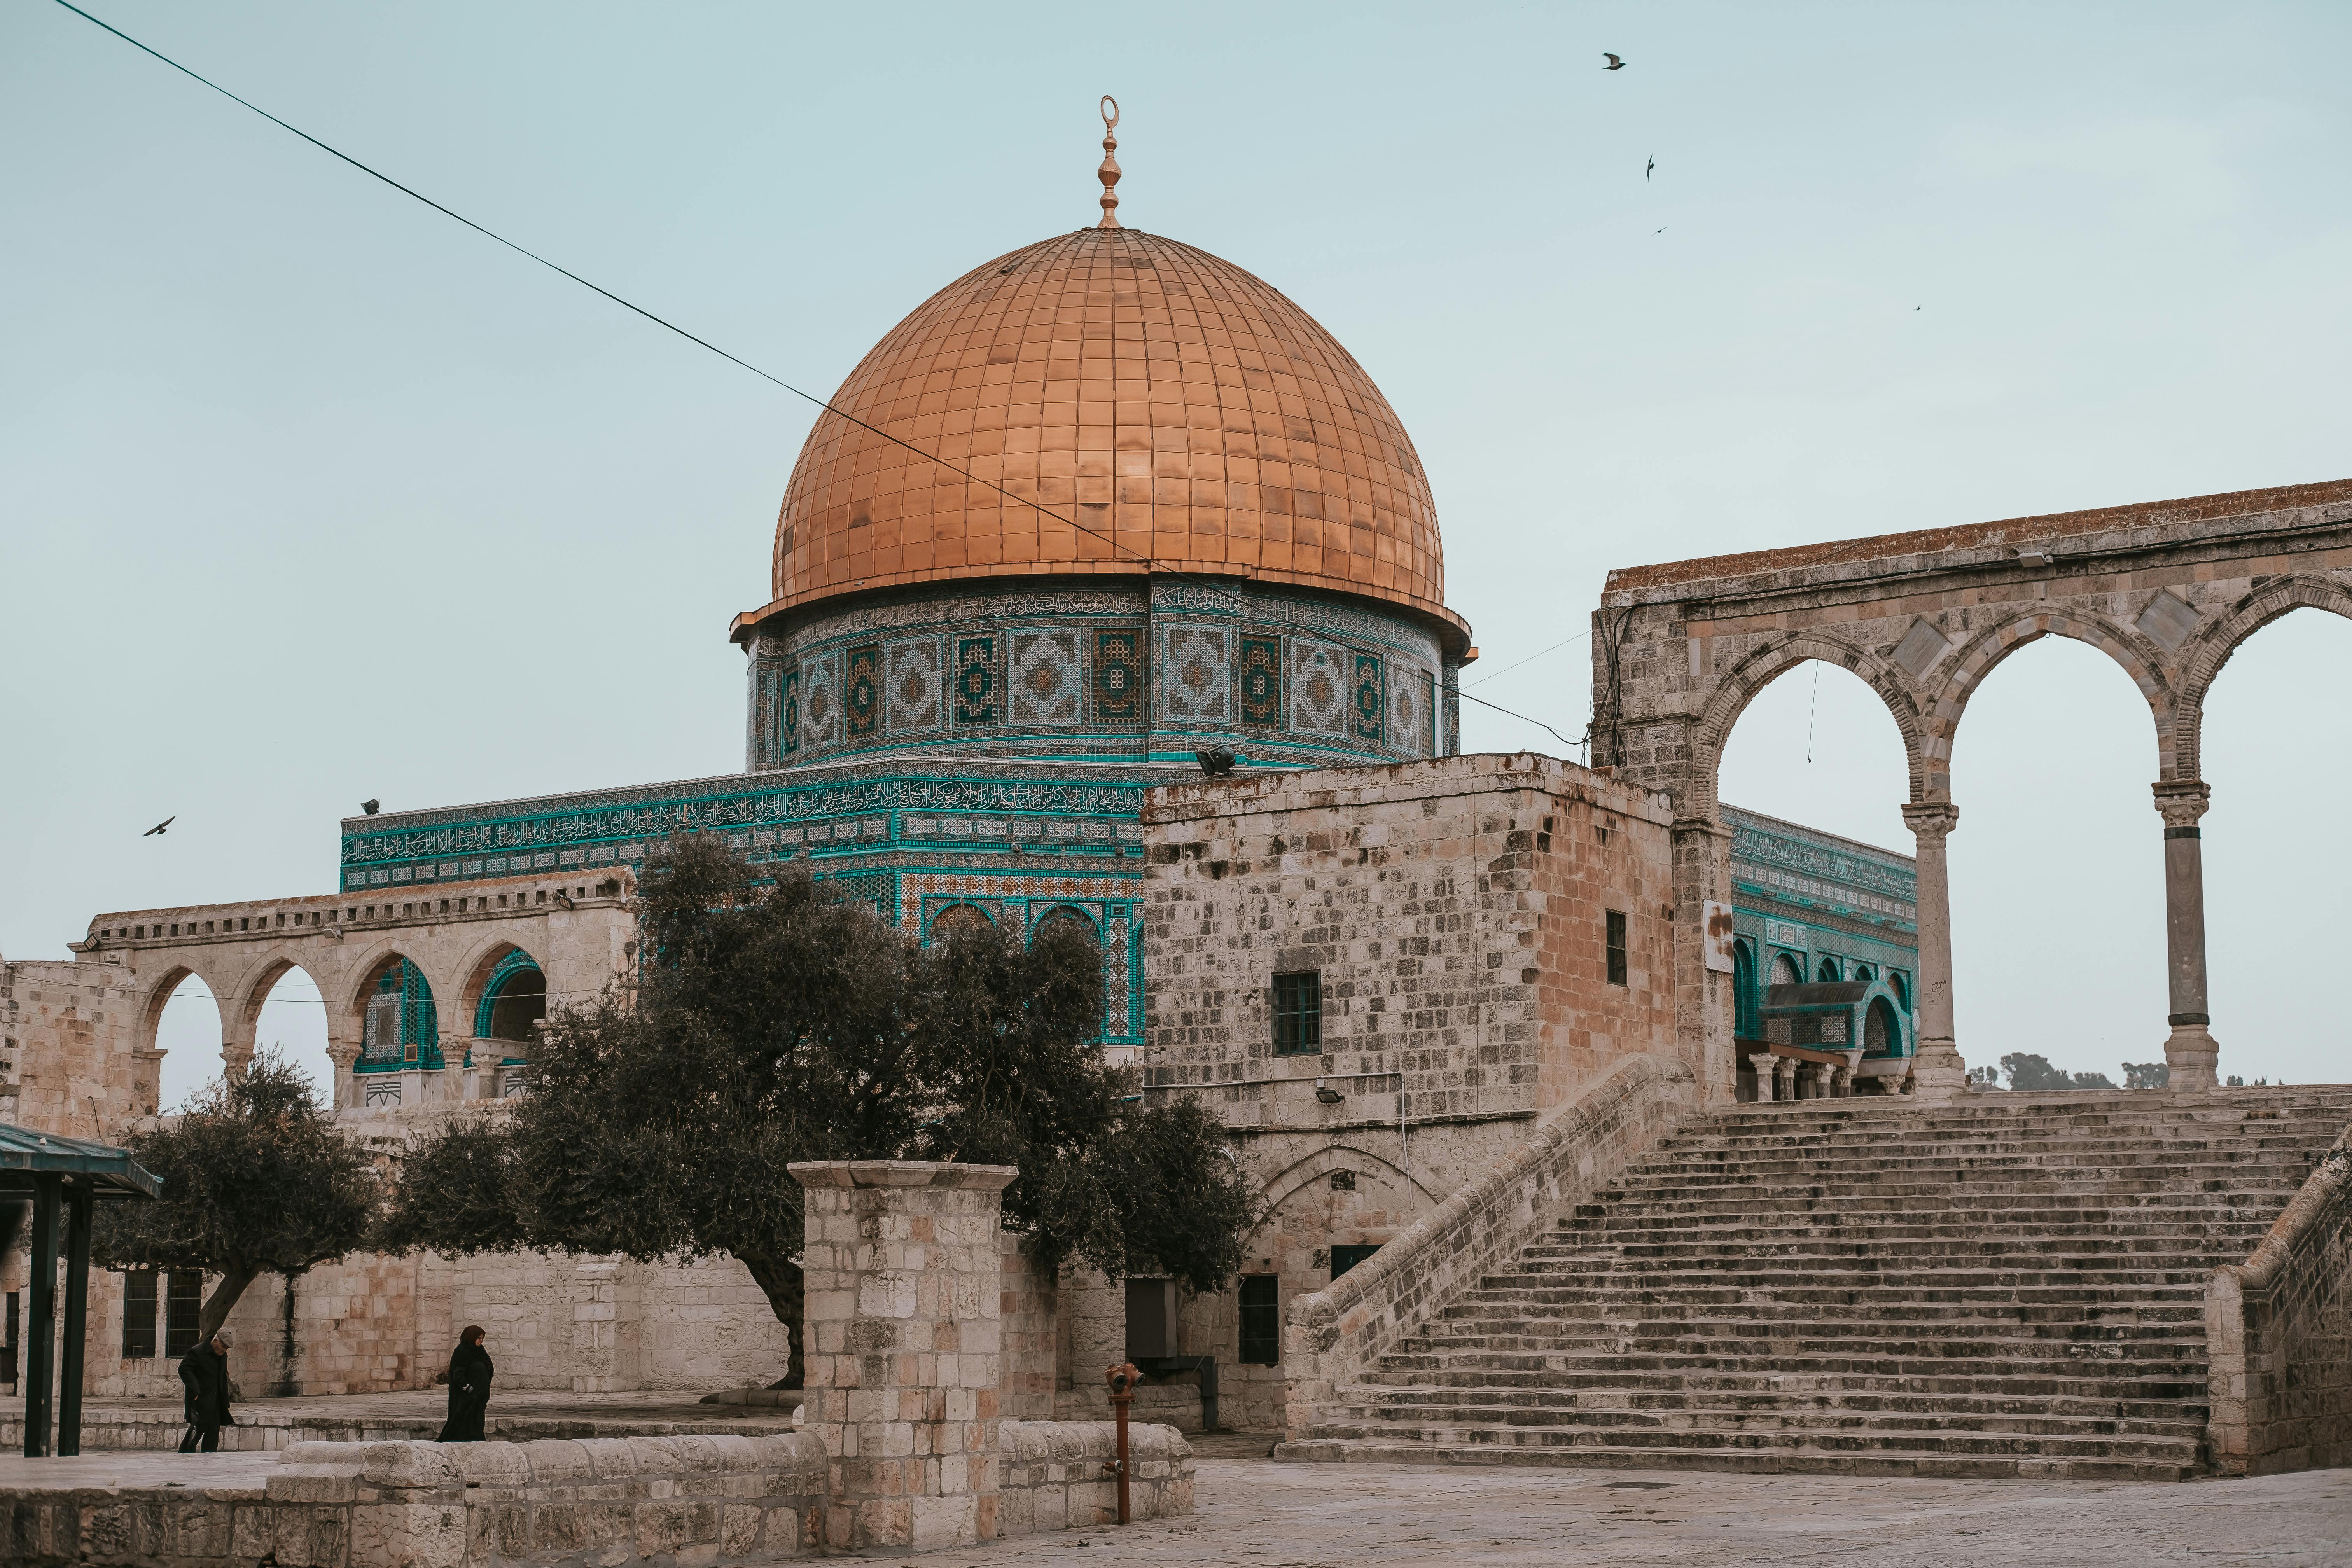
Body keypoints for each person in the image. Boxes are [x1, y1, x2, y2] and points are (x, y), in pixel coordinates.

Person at [176, 1327, 236, 1453]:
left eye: (226, 1348)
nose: (224, 1350)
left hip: (216, 1402)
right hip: (200, 1401)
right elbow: (184, 1369)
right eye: (223, 1346)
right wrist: (196, 1392)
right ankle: (184, 1456)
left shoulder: (223, 1356)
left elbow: (223, 1378)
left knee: (213, 1433)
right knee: (196, 1430)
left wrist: (225, 1400)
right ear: (215, 1341)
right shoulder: (197, 1352)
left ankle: (209, 1459)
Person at [436, 1325, 493, 1442]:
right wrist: (468, 1388)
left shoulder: (480, 1351)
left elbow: (488, 1366)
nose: (481, 1341)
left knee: (476, 1421)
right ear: (471, 1338)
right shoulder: (461, 1352)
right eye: (479, 1338)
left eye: (482, 1338)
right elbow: (458, 1373)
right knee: (461, 1420)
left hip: (478, 1396)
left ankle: (476, 1442)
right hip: (466, 1396)